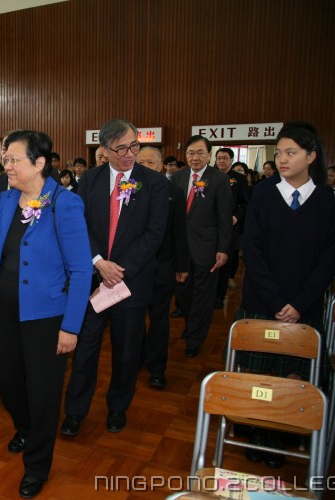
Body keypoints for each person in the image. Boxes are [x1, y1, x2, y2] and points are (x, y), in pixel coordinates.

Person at [0, 130, 91, 498]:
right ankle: (25, 427)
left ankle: (37, 465)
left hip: (47, 316)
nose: (6, 166)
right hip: (7, 310)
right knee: (6, 381)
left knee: (43, 394)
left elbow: (81, 271)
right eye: (5, 159)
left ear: (39, 163)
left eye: (13, 160)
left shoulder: (64, 203)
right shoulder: (6, 198)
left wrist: (71, 327)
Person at [235, 121, 335, 467]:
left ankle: (281, 433)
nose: (282, 159)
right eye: (279, 152)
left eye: (291, 152)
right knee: (260, 376)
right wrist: (277, 300)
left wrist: (298, 303)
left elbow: (330, 259)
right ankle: (257, 430)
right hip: (261, 300)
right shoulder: (264, 194)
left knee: (292, 377)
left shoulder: (328, 202)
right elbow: (253, 251)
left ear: (311, 156)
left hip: (304, 306)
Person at [62, 119, 168, 436]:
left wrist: (119, 269)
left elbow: (154, 234)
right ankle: (75, 411)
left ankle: (118, 407)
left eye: (133, 146)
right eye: (120, 148)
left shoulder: (154, 183)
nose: (129, 154)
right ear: (105, 150)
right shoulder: (90, 180)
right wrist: (98, 262)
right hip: (93, 280)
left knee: (126, 352)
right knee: (85, 349)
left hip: (130, 282)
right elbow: (78, 225)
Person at [170, 135, 233, 357]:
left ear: (209, 155)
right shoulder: (177, 177)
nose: (194, 157)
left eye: (199, 153)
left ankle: (195, 339)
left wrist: (223, 248)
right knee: (183, 293)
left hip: (207, 248)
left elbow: (224, 217)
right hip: (181, 248)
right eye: (190, 153)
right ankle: (191, 325)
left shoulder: (219, 179)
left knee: (203, 296)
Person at [136, 147, 189, 389]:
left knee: (159, 320)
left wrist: (182, 265)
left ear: (160, 166)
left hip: (163, 266)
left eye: (151, 162)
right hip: (134, 268)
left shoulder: (174, 192)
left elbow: (180, 230)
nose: (145, 166)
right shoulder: (127, 189)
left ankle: (157, 367)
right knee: (134, 319)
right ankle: (136, 358)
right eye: (141, 162)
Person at [214, 148, 249, 304]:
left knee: (224, 261)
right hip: (210, 226)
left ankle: (219, 296)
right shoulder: (210, 176)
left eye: (225, 158)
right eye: (218, 158)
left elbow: (245, 204)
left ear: (231, 160)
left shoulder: (239, 179)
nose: (221, 161)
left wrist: (236, 217)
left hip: (229, 226)